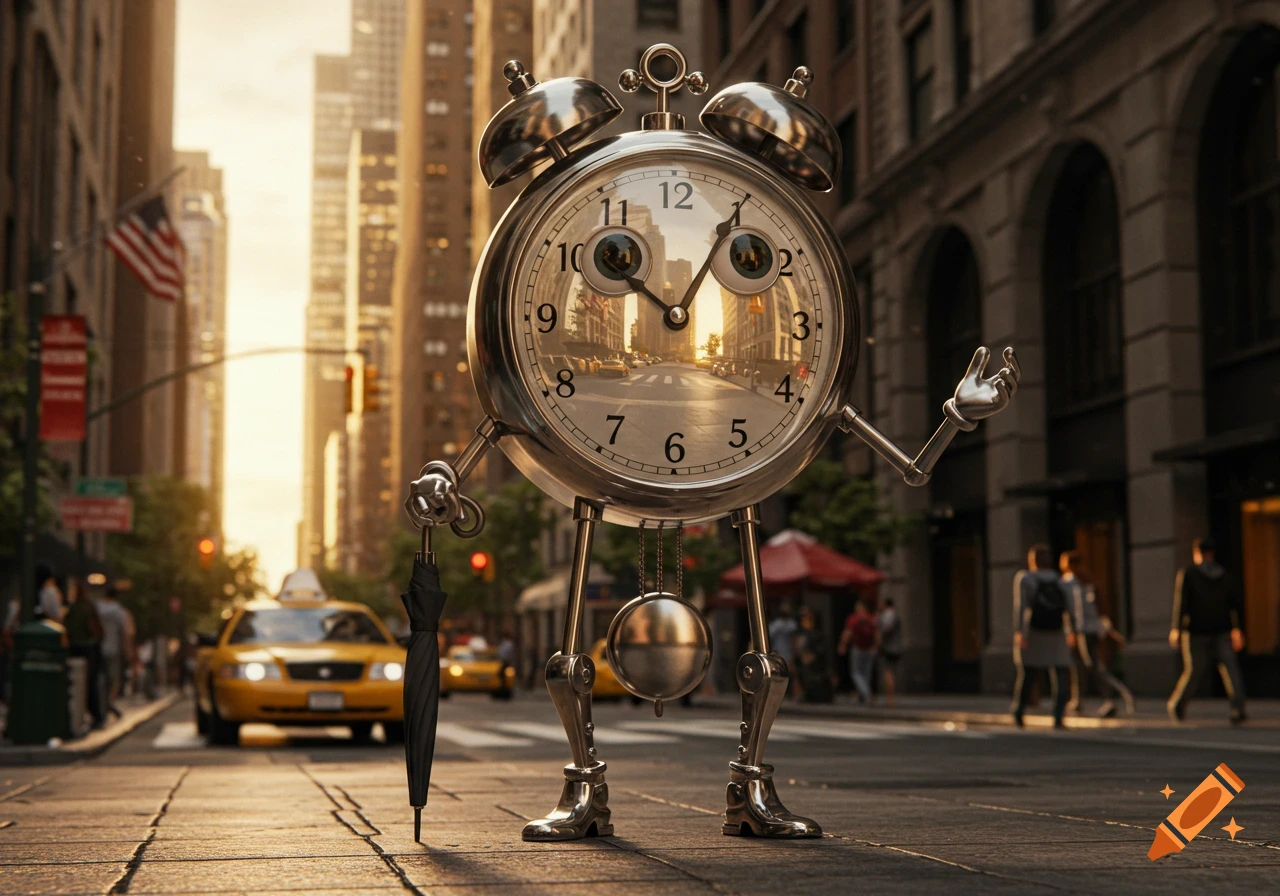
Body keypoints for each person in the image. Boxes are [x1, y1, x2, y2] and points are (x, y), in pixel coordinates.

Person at [1167, 537, 1247, 724]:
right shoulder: (1224, 576)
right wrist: (1237, 628)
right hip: (1221, 629)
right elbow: (1235, 605)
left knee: (1194, 670)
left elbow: (1182, 603)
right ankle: (1238, 708)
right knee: (1230, 669)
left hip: (1197, 631)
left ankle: (1178, 705)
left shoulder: (1189, 574)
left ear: (1197, 553)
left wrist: (1176, 629)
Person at [1060, 551, 1134, 718]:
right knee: (1078, 666)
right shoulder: (1079, 581)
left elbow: (1078, 610)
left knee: (1092, 665)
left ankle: (1112, 697)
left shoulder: (1077, 582)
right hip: (1083, 630)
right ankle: (1078, 701)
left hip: (1085, 630)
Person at [1011, 545, 1076, 729]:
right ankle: (1058, 716)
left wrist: (1019, 631)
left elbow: (1021, 606)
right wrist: (1072, 630)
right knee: (1061, 673)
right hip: (1057, 632)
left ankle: (1019, 712)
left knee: (1028, 674)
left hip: (1035, 632)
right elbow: (1071, 608)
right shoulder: (1061, 581)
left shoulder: (1025, 579)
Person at [63, 579, 106, 728]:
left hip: (80, 648)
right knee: (90, 683)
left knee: (84, 684)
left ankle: (93, 716)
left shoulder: (75, 609)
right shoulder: (86, 607)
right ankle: (96, 716)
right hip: (88, 648)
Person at [96, 585, 130, 717]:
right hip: (113, 648)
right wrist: (127, 650)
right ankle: (109, 702)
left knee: (100, 678)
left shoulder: (98, 607)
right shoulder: (118, 611)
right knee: (114, 679)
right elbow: (124, 633)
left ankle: (102, 703)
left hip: (98, 647)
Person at [839, 599, 878, 704]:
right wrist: (876, 646)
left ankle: (866, 693)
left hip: (857, 648)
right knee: (866, 674)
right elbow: (877, 633)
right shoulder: (872, 619)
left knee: (856, 673)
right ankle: (864, 697)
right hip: (869, 648)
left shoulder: (854, 619)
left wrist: (843, 644)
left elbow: (848, 632)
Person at [794, 606, 830, 702]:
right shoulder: (800, 633)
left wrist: (812, 655)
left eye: (807, 618)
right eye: (803, 618)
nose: (804, 621)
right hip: (804, 663)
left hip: (815, 665)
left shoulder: (818, 634)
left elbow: (822, 650)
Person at [877, 598, 903, 708]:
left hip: (888, 648)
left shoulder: (886, 616)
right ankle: (891, 698)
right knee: (892, 672)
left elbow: (885, 629)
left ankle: (890, 699)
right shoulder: (896, 615)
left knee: (888, 673)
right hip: (896, 647)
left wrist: (879, 638)